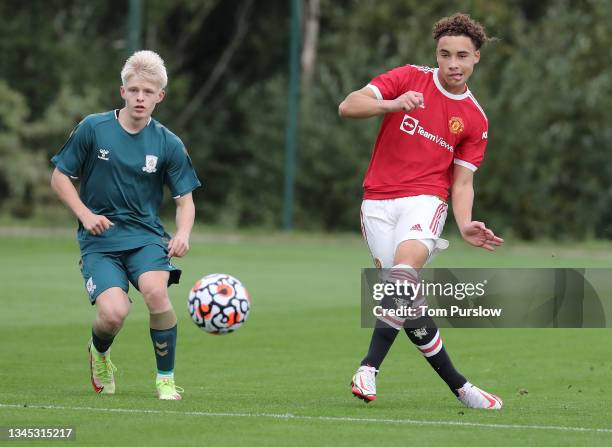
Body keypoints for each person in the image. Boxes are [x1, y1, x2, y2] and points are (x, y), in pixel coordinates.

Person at [338, 13, 504, 409]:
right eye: (445, 54)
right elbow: (348, 106)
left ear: (476, 57)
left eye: (462, 56)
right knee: (406, 302)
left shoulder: (476, 119)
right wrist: (393, 104)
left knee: (402, 277)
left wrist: (464, 224)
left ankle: (368, 368)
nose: (453, 64)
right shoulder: (409, 77)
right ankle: (461, 387)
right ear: (436, 54)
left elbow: (462, 182)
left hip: (426, 200)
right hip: (376, 202)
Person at [50, 50, 201, 400]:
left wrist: (182, 233)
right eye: (133, 90)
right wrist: (85, 214)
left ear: (160, 96)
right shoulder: (93, 128)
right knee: (113, 314)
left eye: (148, 92)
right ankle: (99, 353)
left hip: (146, 238)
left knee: (156, 293)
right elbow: (59, 177)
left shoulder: (169, 143)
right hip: (99, 241)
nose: (140, 98)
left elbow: (185, 201)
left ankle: (165, 380)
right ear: (122, 92)